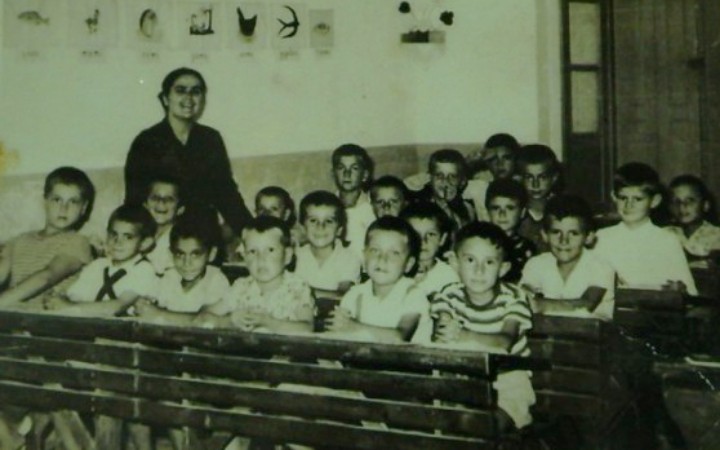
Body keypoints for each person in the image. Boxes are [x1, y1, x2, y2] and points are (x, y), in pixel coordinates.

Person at [124, 67, 252, 244]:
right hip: (160, 236)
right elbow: (134, 200)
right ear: (165, 98)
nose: (189, 98)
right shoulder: (146, 141)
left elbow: (227, 194)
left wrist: (250, 231)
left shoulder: (210, 139)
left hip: (204, 234)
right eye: (180, 90)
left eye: (196, 92)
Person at [429, 221, 535, 430]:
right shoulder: (449, 295)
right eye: (470, 260)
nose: (479, 270)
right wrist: (443, 329)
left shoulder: (513, 298)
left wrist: (463, 335)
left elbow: (505, 342)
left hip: (507, 382)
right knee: (444, 417)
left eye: (489, 262)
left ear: (503, 268)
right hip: (464, 379)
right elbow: (441, 333)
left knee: (485, 426)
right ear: (455, 263)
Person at [593, 162, 697, 295]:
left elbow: (689, 292)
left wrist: (679, 290)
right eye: (623, 198)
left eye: (638, 199)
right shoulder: (601, 238)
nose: (628, 205)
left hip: (653, 307)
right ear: (614, 196)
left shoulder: (667, 241)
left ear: (654, 201)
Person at [325, 216, 432, 343]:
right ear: (364, 256)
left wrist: (353, 327)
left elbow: (400, 337)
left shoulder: (413, 295)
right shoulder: (355, 295)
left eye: (394, 253)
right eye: (375, 250)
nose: (382, 259)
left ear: (408, 264)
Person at [0, 167, 94, 309]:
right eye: (57, 200)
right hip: (12, 314)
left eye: (73, 202)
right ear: (45, 201)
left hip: (47, 318)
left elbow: (46, 277)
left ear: (83, 208)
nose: (63, 209)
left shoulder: (78, 242)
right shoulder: (19, 240)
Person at [203, 216, 313, 333]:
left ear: (287, 256)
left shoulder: (297, 288)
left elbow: (307, 328)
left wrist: (268, 322)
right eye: (253, 251)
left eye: (270, 250)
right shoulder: (241, 287)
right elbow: (203, 316)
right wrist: (229, 320)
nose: (261, 259)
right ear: (245, 257)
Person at [44, 204, 158, 316]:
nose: (118, 242)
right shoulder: (98, 265)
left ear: (145, 243)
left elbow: (117, 307)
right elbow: (75, 297)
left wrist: (68, 306)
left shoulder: (143, 270)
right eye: (113, 234)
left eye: (128, 237)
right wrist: (58, 299)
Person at [521, 195, 615, 319]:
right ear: (544, 235)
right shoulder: (536, 264)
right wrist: (527, 297)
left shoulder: (601, 267)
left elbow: (585, 304)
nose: (564, 241)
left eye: (573, 233)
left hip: (589, 331)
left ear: (588, 237)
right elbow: (523, 296)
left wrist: (539, 304)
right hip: (545, 331)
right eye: (556, 232)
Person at [134, 209, 228, 324]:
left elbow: (203, 320)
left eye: (195, 255)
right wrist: (144, 305)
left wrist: (159, 314)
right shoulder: (170, 276)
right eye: (180, 254)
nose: (187, 263)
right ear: (171, 254)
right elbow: (152, 305)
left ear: (212, 254)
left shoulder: (216, 280)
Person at [293, 191, 361, 293]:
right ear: (303, 228)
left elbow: (344, 296)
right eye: (313, 220)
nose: (320, 226)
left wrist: (306, 293)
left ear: (339, 230)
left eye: (329, 221)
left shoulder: (349, 258)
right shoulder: (295, 256)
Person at [400, 201, 459, 298]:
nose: (423, 241)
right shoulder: (396, 272)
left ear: (442, 239)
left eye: (431, 234)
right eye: (416, 235)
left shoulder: (450, 275)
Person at [413, 149, 476, 234]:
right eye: (439, 175)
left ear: (462, 182)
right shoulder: (420, 207)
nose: (445, 181)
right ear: (430, 178)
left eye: (453, 176)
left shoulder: (468, 208)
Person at [485, 179, 536, 283]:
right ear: (487, 212)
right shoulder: (480, 244)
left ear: (522, 212)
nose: (502, 214)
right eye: (496, 208)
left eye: (510, 208)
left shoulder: (527, 249)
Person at [331, 143, 376, 258]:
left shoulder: (374, 209)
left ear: (365, 175)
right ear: (333, 174)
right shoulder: (328, 208)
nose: (347, 174)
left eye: (354, 168)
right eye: (341, 168)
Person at [517, 144, 562, 252]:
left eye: (542, 177)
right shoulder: (514, 211)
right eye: (529, 177)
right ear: (519, 179)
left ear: (554, 178)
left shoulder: (562, 210)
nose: (535, 184)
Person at [666, 174, 720, 261]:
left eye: (689, 201)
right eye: (676, 202)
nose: (682, 206)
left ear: (705, 205)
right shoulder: (664, 234)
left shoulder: (717, 236)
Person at [143, 175, 184, 275]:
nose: (161, 203)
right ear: (145, 204)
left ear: (180, 209)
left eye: (169, 199)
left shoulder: (180, 241)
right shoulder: (137, 233)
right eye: (155, 198)